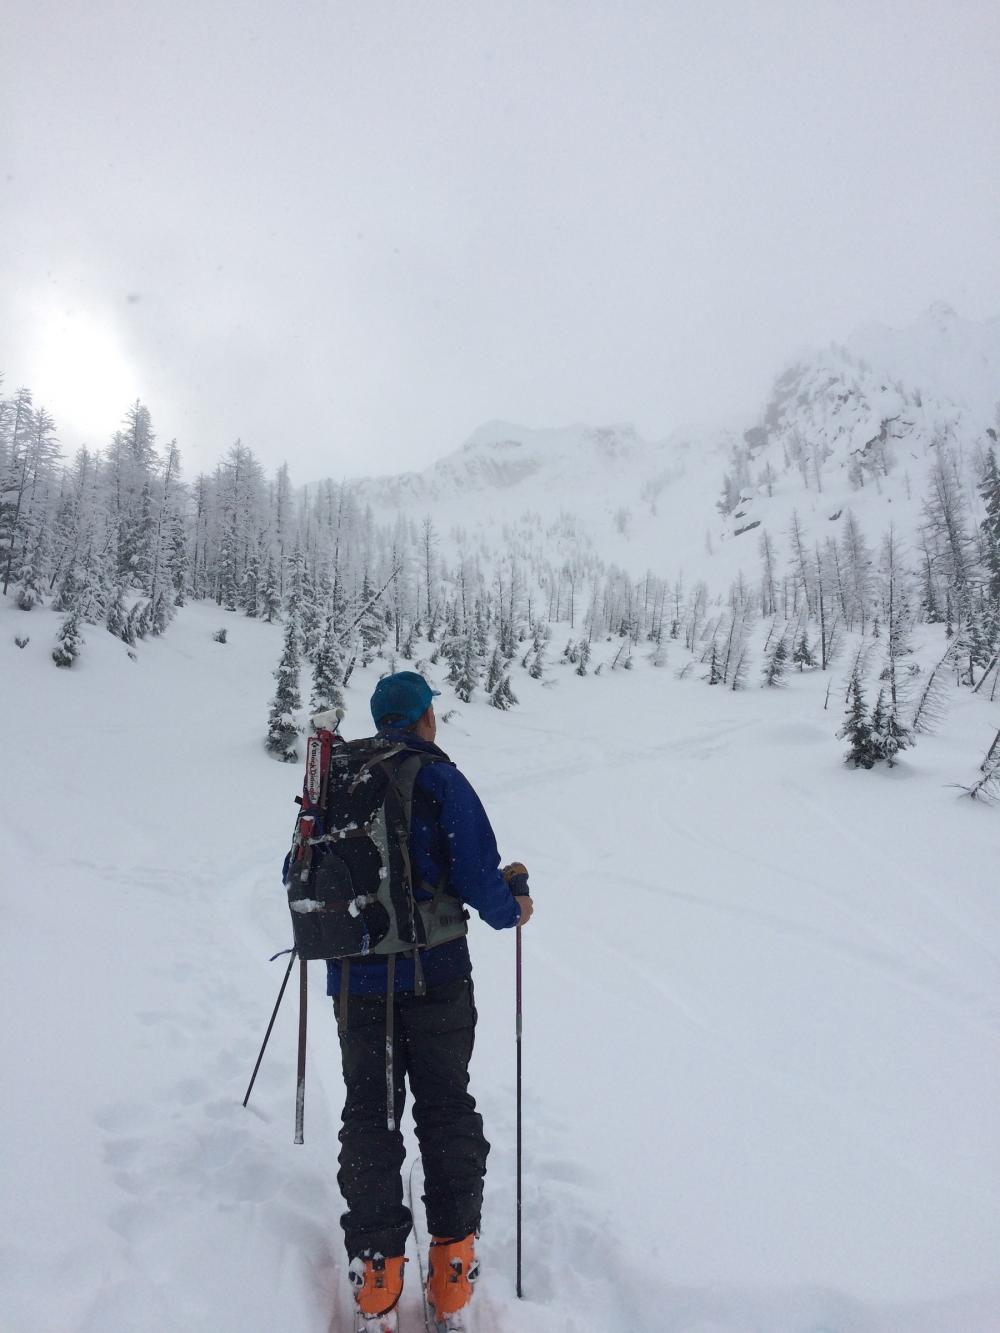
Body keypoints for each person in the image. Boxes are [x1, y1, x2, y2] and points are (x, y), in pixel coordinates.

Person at [332, 670, 532, 1332]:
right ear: (423, 717)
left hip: (357, 984)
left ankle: (377, 1275)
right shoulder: (440, 777)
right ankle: (450, 1273)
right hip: (436, 975)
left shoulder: (340, 780)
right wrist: (515, 905)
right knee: (445, 1109)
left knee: (370, 1113)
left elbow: (297, 871)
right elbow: (479, 876)